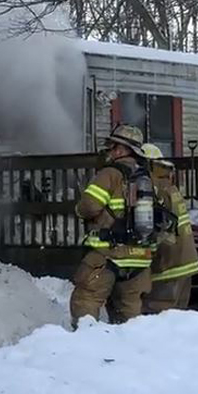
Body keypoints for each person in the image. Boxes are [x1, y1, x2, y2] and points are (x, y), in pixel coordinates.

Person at [69, 125, 155, 329]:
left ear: (121, 149)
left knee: (86, 301)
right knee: (130, 315)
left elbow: (89, 206)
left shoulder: (109, 174)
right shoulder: (145, 177)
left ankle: (84, 342)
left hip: (107, 253)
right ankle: (130, 346)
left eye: (112, 146)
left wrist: (80, 210)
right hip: (138, 257)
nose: (109, 150)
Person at [141, 143, 198, 312]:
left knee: (158, 315)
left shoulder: (153, 188)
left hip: (168, 266)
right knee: (177, 319)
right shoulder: (168, 186)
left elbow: (158, 227)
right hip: (185, 261)